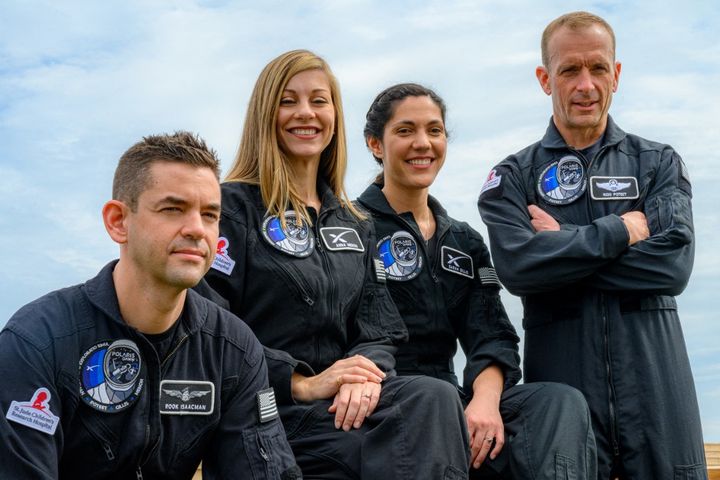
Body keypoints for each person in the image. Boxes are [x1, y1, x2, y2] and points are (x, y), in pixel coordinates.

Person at [202, 50, 469, 479]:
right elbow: (208, 324)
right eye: (288, 101)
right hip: (267, 412)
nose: (305, 113)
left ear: (334, 115)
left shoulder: (355, 223)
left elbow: (379, 328)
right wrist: (300, 381)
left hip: (341, 411)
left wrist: (363, 375)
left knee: (435, 397)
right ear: (264, 114)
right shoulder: (229, 208)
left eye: (318, 101)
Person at [478, 11, 706, 479]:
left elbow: (673, 268)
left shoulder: (658, 163)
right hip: (565, 406)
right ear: (545, 79)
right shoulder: (513, 178)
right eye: (569, 70)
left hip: (659, 398)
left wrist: (561, 246)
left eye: (598, 68)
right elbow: (520, 269)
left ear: (616, 74)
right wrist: (619, 232)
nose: (586, 85)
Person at [0, 132, 301, 479]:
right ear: (118, 221)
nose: (196, 230)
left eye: (209, 214)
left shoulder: (234, 350)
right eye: (173, 209)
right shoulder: (35, 341)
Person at [357, 82, 597, 479]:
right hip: (384, 400)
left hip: (451, 397)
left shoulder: (464, 240)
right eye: (405, 131)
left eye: (434, 131)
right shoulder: (350, 228)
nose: (423, 143)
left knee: (558, 402)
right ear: (376, 145)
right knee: (431, 403)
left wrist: (484, 405)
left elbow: (491, 336)